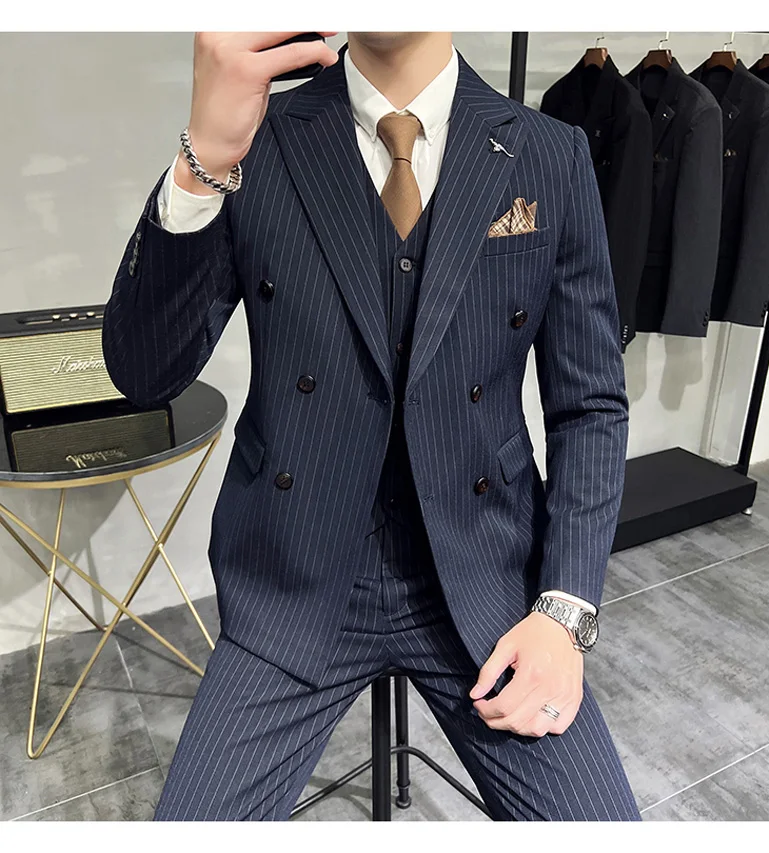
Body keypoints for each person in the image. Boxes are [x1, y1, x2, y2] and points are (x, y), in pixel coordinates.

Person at [102, 31, 641, 821]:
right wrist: (203, 158)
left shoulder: (549, 155)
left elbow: (590, 404)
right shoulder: (256, 140)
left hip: (486, 583)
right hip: (292, 580)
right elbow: (146, 373)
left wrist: (565, 610)